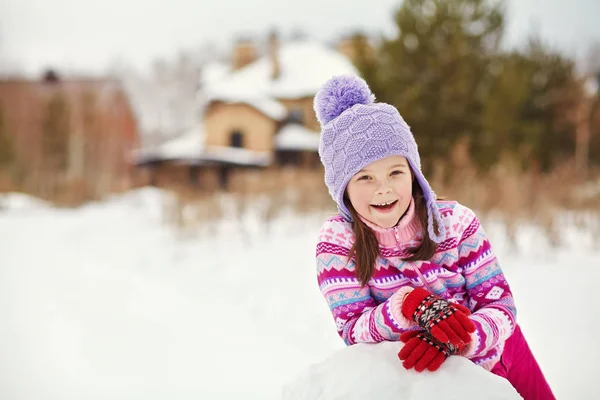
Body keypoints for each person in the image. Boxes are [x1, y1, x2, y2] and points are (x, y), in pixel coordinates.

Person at [313, 75, 555, 399]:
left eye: (395, 172)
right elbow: (353, 329)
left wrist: (461, 337)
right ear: (342, 188)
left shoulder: (456, 224)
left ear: (413, 174)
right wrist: (408, 305)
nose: (383, 188)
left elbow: (500, 305)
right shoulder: (339, 245)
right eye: (364, 177)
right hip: (433, 384)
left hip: (503, 355)